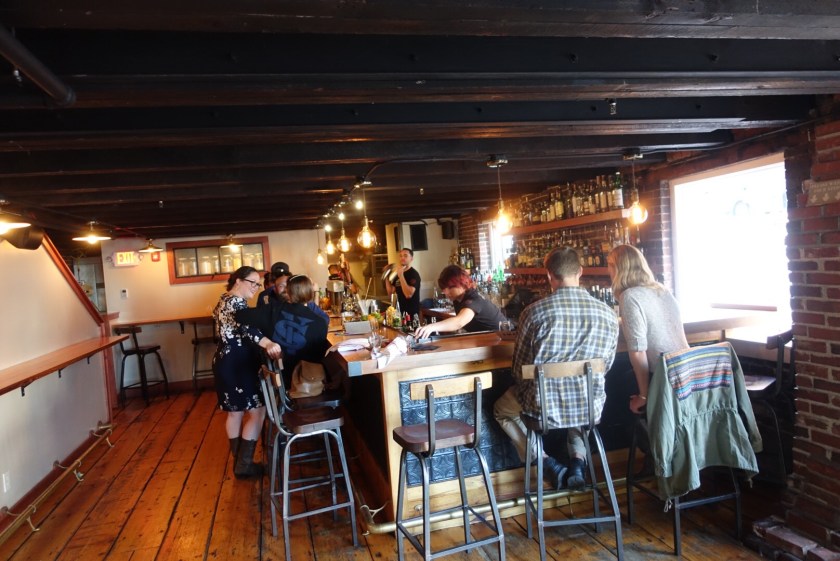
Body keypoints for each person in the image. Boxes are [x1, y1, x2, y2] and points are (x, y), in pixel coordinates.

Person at [493, 246, 618, 490]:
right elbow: (607, 365)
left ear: (549, 275)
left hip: (543, 408)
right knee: (580, 401)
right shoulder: (608, 314)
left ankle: (546, 462)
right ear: (580, 272)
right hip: (588, 406)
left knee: (502, 410)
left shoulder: (533, 313)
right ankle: (578, 462)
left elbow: (519, 370)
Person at [212, 266, 282, 478]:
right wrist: (269, 343)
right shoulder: (236, 303)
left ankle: (240, 464)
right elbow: (248, 330)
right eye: (253, 282)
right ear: (238, 281)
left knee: (235, 412)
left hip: (225, 361)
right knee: (257, 411)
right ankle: (244, 465)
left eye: (258, 284)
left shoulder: (224, 299)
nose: (256, 287)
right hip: (239, 362)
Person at [607, 244, 689, 415]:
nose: (608, 271)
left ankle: (646, 429)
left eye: (609, 265)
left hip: (664, 375)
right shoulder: (662, 290)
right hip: (686, 371)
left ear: (618, 269)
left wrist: (644, 396)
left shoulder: (630, 296)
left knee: (612, 385)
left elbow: (638, 351)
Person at [236, 274, 332, 385]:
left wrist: (266, 342)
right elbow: (319, 357)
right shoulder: (320, 323)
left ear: (288, 292)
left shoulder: (272, 310)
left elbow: (239, 316)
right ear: (311, 293)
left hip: (279, 379)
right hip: (307, 382)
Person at [415, 264, 506, 338]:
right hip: (487, 339)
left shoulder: (474, 299)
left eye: (450, 287)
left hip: (502, 340)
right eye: (444, 288)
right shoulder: (457, 299)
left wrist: (431, 327)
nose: (445, 292)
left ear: (462, 284)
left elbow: (459, 322)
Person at [385, 247, 421, 319]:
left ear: (411, 258)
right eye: (401, 256)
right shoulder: (398, 273)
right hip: (399, 312)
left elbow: (408, 294)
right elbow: (391, 293)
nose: (402, 258)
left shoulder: (414, 274)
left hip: (411, 313)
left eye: (405, 256)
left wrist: (401, 276)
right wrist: (386, 275)